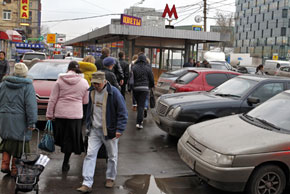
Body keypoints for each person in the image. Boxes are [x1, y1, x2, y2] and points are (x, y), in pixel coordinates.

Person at [77, 71, 128, 193]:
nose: (96, 86)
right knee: (89, 154)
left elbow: (123, 112)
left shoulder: (114, 92)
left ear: (104, 82)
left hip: (109, 131)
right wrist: (88, 125)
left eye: (98, 84)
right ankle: (87, 183)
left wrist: (119, 129)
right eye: (94, 83)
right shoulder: (91, 92)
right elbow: (89, 109)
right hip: (94, 130)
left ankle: (110, 178)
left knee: (112, 156)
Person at [46, 61, 89, 172]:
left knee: (61, 137)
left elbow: (52, 99)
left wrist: (49, 114)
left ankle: (63, 152)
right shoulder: (84, 83)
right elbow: (85, 101)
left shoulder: (59, 81)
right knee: (70, 139)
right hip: (75, 114)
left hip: (60, 113)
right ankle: (66, 161)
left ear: (68, 69)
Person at [0, 63, 37, 177]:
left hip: (4, 117)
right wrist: (32, 122)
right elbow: (30, 106)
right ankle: (15, 169)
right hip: (20, 119)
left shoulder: (3, 84)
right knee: (19, 144)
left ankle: (4, 165)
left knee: (7, 141)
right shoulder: (28, 86)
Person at [132, 53, 154, 129]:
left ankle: (139, 118)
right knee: (141, 105)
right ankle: (139, 123)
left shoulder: (134, 67)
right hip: (144, 89)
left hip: (135, 88)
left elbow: (131, 78)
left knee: (139, 105)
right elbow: (151, 79)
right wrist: (151, 86)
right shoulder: (148, 68)